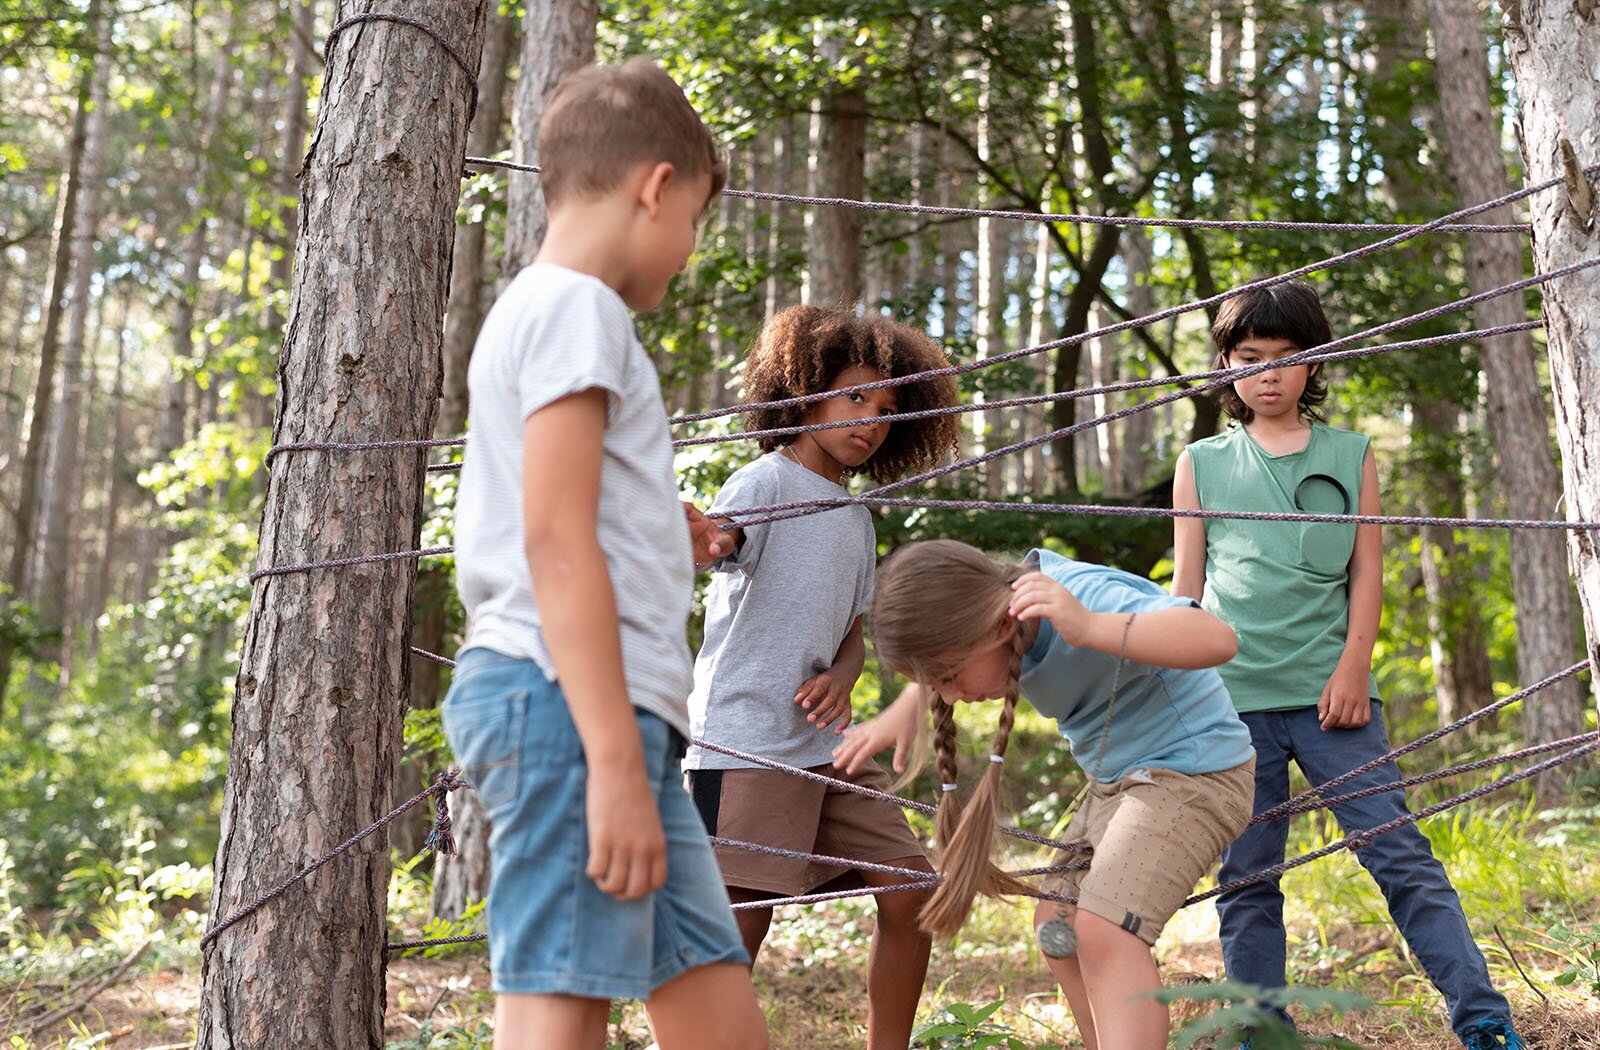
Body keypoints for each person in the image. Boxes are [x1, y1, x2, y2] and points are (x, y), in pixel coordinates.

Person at [441, 58, 767, 1050]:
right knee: (557, 1012)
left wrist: (659, 528)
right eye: (698, 221)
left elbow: (563, 506)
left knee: (717, 1011)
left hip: (601, 720)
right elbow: (552, 540)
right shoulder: (578, 307)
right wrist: (614, 765)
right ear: (656, 186)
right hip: (569, 710)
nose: (689, 249)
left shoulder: (544, 313)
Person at [1171, 278, 1524, 1050]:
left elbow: (1367, 571)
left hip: (1336, 699)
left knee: (1399, 854)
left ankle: (1484, 1020)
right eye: (1249, 357)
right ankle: (1264, 1032)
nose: (1268, 373)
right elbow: (1186, 592)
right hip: (1231, 703)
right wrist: (1181, 695)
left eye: (1287, 358)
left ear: (1314, 364)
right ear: (1227, 366)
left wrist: (1353, 669)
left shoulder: (1349, 453)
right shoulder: (1200, 461)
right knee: (1248, 879)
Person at [834, 539, 1256, 1050]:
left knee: (1104, 930)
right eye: (933, 684)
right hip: (1120, 783)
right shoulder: (992, 612)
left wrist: (1091, 627)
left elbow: (1217, 638)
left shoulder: (1078, 597)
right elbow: (952, 648)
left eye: (947, 677)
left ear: (999, 627)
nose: (948, 696)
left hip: (1194, 773)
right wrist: (905, 707)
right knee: (1059, 925)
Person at [683, 304, 960, 1050]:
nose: (869, 422)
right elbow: (724, 541)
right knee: (736, 923)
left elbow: (851, 637)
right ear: (804, 392)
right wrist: (705, 539)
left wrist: (842, 677)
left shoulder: (858, 516)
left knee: (911, 890)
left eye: (886, 410)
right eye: (854, 398)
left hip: (825, 748)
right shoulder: (765, 481)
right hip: (740, 743)